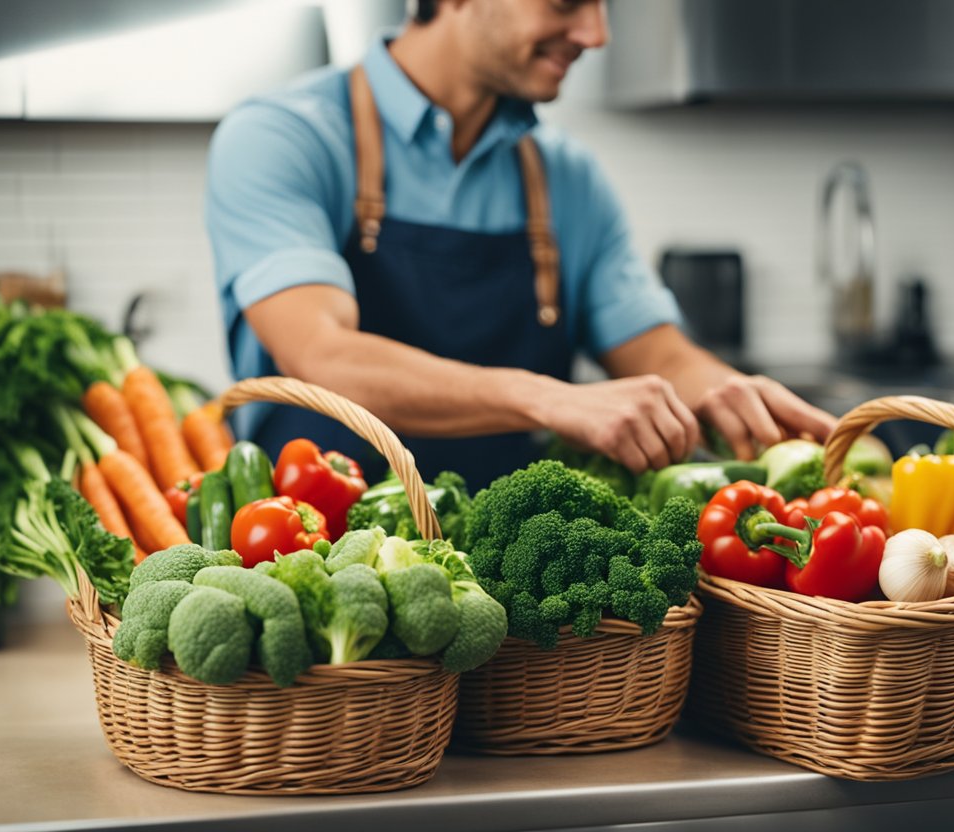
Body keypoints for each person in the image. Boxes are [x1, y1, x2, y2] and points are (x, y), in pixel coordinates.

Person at [206, 0, 835, 491]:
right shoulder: (283, 138)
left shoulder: (567, 177)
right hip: (315, 566)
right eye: (566, 3)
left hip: (508, 592)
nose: (596, 34)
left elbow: (660, 356)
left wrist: (721, 390)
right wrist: (550, 399)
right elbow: (322, 353)